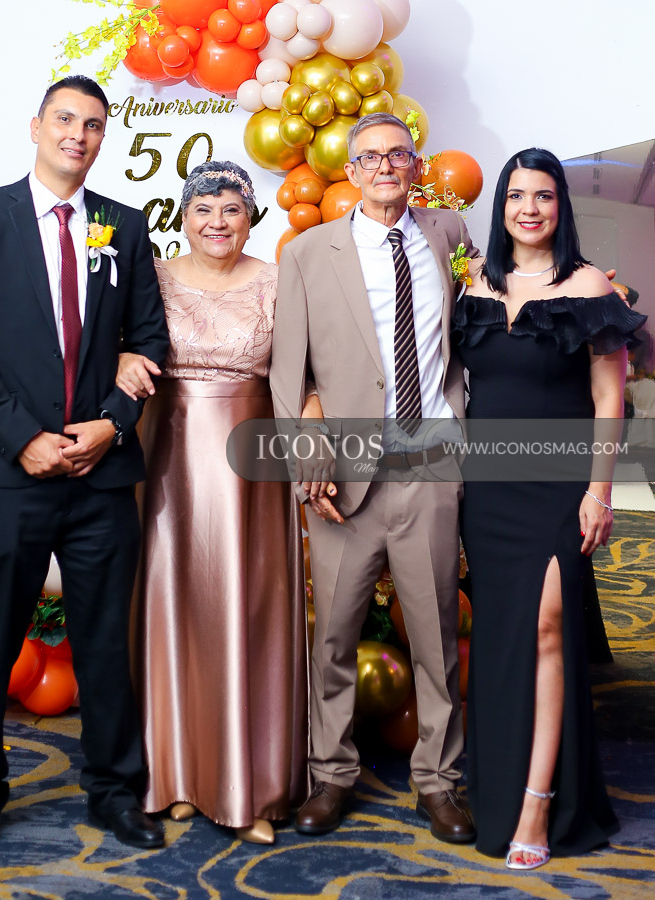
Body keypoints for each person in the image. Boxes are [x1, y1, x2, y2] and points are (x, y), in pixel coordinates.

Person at [0, 75, 170, 860]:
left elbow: (149, 341)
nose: (79, 133)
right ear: (36, 126)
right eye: (66, 119)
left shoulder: (124, 227)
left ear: (104, 139)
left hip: (101, 478)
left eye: (94, 124)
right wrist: (24, 439)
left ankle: (114, 791)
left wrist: (111, 425)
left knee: (106, 640)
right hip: (11, 475)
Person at [269, 112, 478, 842]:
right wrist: (307, 460)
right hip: (341, 479)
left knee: (436, 636)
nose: (385, 165)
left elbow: (480, 330)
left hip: (430, 464)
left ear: (416, 167)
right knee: (331, 637)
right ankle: (330, 777)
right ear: (350, 172)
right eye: (370, 157)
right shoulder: (305, 253)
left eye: (398, 154)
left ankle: (439, 782)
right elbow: (286, 372)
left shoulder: (450, 237)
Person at [452, 147, 645, 869]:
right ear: (500, 207)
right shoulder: (473, 282)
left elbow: (608, 399)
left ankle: (540, 804)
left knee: (550, 629)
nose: (528, 208)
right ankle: (498, 790)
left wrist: (599, 490)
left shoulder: (590, 284)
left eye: (543, 195)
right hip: (489, 485)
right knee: (504, 639)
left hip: (559, 483)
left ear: (560, 207)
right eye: (515, 196)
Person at [116, 161, 308, 845]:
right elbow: (122, 347)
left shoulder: (281, 278)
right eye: (204, 210)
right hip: (167, 455)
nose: (217, 222)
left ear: (251, 215)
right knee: (172, 605)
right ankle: (176, 776)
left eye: (231, 209)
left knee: (248, 609)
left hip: (253, 464)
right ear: (183, 216)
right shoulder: (155, 277)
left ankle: (251, 786)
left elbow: (305, 368)